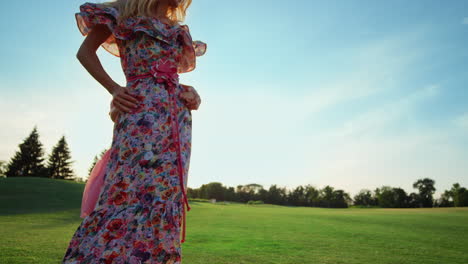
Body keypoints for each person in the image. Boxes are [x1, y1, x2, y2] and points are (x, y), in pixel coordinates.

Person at [62, 0, 207, 263]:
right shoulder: (120, 11)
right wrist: (114, 89)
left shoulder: (176, 27)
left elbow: (165, 74)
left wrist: (189, 91)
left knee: (165, 193)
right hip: (139, 114)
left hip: (176, 119)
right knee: (126, 189)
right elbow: (85, 53)